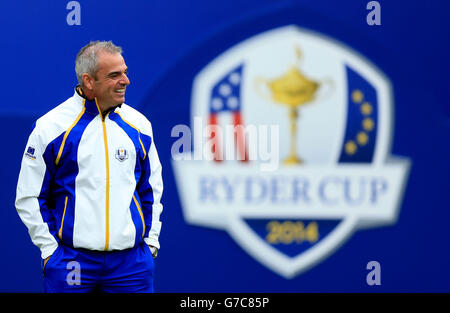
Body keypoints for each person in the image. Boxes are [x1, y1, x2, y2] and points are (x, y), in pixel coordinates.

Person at [15, 41, 163, 293]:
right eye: (114, 75)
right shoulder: (50, 127)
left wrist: (150, 243)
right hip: (71, 264)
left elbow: (152, 189)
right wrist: (50, 251)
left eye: (125, 72)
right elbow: (29, 196)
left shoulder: (140, 125)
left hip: (131, 266)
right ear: (89, 81)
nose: (126, 81)